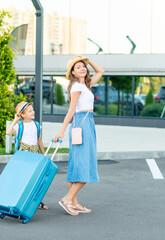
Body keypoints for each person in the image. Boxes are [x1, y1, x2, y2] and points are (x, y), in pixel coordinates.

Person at [54, 56, 104, 216]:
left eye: (84, 66)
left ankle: (74, 203)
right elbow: (71, 110)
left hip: (87, 123)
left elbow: (100, 71)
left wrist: (87, 61)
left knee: (76, 164)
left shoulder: (85, 85)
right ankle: (67, 199)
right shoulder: (76, 87)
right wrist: (61, 130)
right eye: (78, 67)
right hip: (81, 124)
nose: (82, 69)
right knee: (84, 164)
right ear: (73, 73)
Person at [6, 101, 48, 210]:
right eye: (30, 111)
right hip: (23, 156)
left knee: (34, 178)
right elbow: (8, 132)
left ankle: (37, 201)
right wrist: (16, 119)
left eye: (32, 110)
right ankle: (18, 200)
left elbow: (39, 140)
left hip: (35, 155)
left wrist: (43, 154)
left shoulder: (37, 125)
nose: (33, 112)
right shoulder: (19, 126)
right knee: (22, 179)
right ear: (23, 115)